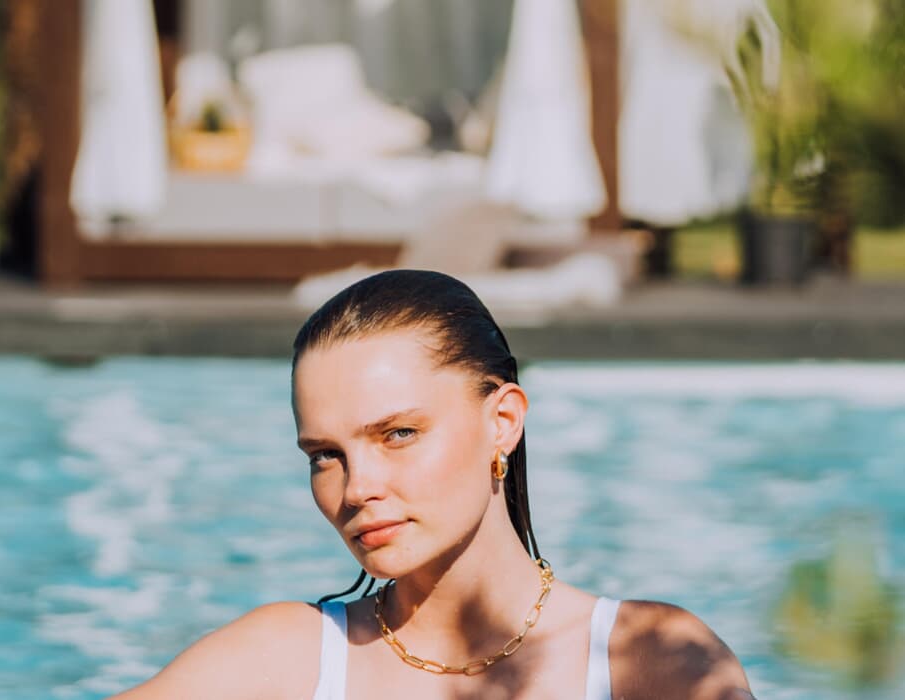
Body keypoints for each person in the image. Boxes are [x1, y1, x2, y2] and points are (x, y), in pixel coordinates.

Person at [112, 269, 755, 699]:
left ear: (502, 422)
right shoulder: (286, 660)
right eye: (326, 455)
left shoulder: (646, 661)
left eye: (398, 433)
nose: (356, 489)